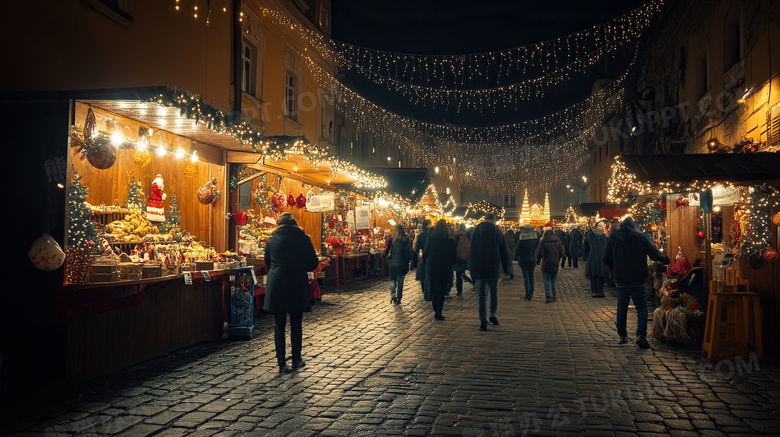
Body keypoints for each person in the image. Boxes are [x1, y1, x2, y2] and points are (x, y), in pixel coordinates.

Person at [263, 212, 320, 373]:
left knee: (279, 324)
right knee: (296, 324)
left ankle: (281, 362)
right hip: (296, 282)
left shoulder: (272, 239)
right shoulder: (303, 238)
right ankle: (296, 359)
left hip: (277, 284)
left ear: (278, 225)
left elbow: (267, 261)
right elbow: (313, 262)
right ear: (294, 224)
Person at [603, 216, 671, 348]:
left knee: (622, 307)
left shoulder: (614, 238)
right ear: (633, 226)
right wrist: (666, 259)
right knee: (641, 308)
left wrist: (615, 267)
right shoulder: (641, 238)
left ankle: (622, 334)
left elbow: (606, 258)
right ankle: (641, 335)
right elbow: (654, 254)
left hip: (621, 279)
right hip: (638, 278)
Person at [468, 213, 511, 331]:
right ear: (494, 221)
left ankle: (483, 320)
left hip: (479, 267)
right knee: (493, 291)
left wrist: (472, 269)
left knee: (481, 295)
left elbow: (471, 251)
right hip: (492, 266)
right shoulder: (497, 232)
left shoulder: (475, 232)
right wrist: (506, 269)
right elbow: (504, 252)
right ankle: (493, 315)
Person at [423, 219, 457, 320]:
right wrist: (453, 262)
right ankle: (439, 311)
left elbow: (426, 251)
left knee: (434, 288)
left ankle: (435, 308)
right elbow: (453, 254)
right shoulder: (448, 240)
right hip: (444, 265)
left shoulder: (430, 238)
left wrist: (425, 261)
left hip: (433, 265)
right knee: (442, 289)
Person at [385, 224, 415, 304]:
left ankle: (393, 295)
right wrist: (410, 260)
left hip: (393, 263)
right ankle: (399, 297)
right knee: (400, 281)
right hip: (402, 263)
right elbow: (409, 252)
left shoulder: (392, 239)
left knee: (393, 280)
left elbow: (387, 250)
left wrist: (385, 255)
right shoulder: (406, 240)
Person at [535, 229, 564, 303]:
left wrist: (538, 261)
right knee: (554, 279)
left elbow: (540, 253)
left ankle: (548, 296)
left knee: (546, 279)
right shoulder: (558, 241)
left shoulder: (544, 241)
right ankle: (554, 295)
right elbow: (561, 253)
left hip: (546, 262)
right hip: (555, 263)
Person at [583, 221, 609, 298]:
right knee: (593, 276)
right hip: (593, 259)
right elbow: (586, 247)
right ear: (596, 227)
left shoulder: (605, 238)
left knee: (601, 276)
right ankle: (594, 291)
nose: (602, 228)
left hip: (602, 259)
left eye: (603, 226)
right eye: (600, 226)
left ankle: (600, 291)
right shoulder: (590, 236)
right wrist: (589, 256)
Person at [514, 224, 539, 300]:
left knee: (526, 277)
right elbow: (536, 249)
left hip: (523, 259)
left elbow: (517, 249)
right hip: (532, 259)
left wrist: (515, 258)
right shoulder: (535, 239)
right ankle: (531, 292)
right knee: (531, 276)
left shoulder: (521, 238)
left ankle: (527, 294)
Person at [414, 219, 432, 296]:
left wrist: (419, 251)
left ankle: (424, 288)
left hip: (422, 256)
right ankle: (428, 288)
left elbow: (416, 247)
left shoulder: (420, 236)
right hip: (430, 256)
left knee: (423, 272)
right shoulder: (431, 235)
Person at [453, 223, 472, 295]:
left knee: (458, 275)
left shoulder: (455, 236)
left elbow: (454, 247)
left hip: (457, 257)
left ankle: (459, 290)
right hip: (464, 256)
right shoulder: (467, 236)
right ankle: (472, 283)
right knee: (463, 272)